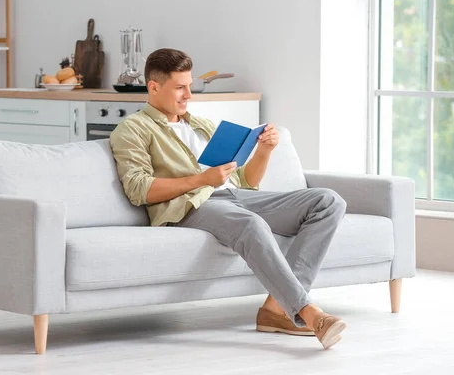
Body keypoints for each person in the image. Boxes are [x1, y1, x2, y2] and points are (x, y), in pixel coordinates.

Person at [109, 48, 348, 350]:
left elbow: (247, 181)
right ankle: (309, 313)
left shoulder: (201, 125)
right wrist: (201, 179)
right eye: (180, 87)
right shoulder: (132, 129)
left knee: (328, 201)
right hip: (190, 207)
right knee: (250, 224)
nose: (189, 95)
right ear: (153, 87)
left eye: (190, 85)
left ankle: (276, 309)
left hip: (233, 196)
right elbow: (138, 189)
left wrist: (264, 151)